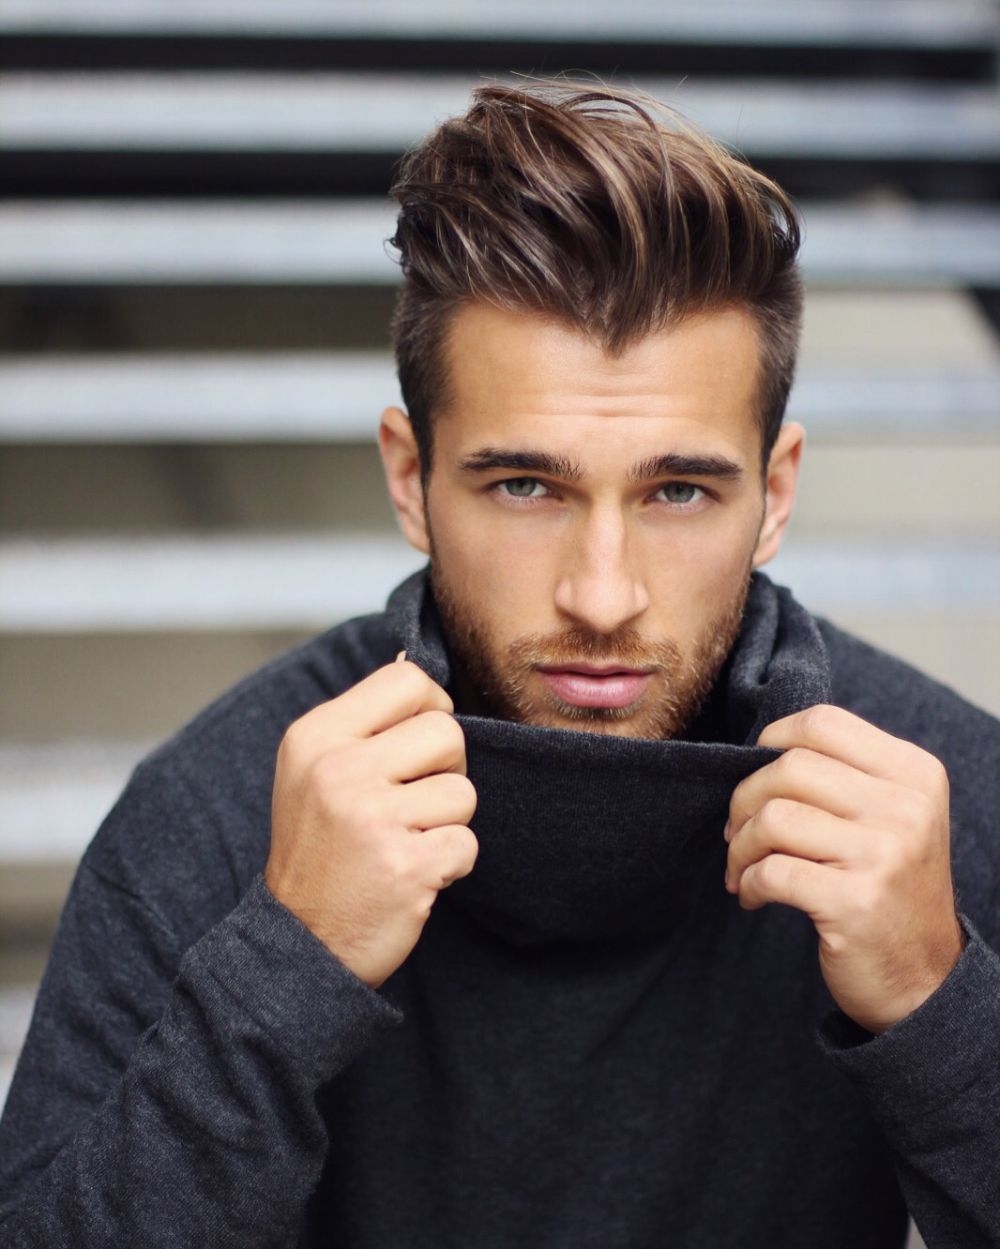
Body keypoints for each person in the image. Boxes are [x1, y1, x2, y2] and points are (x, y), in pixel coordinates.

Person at [0, 80, 997, 1249]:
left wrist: (936, 1002)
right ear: (409, 478)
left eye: (679, 491)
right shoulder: (222, 813)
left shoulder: (932, 811)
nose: (602, 596)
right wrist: (284, 968)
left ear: (773, 495)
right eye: (525, 485)